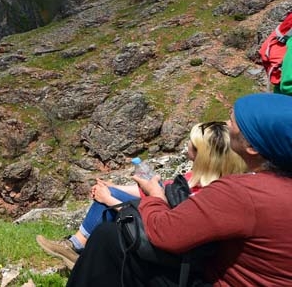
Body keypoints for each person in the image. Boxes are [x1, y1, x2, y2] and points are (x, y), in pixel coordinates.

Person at [65, 92, 292, 286]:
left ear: (252, 146)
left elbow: (166, 234)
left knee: (110, 239)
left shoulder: (243, 192)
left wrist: (155, 196)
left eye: (233, 122)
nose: (227, 124)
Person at [36, 121, 246, 268]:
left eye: (191, 142)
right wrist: (113, 187)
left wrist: (108, 199)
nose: (187, 144)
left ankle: (77, 248)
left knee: (107, 201)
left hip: (159, 240)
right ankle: (76, 245)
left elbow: (156, 223)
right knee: (110, 192)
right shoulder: (199, 176)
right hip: (159, 220)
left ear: (201, 152)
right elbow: (160, 187)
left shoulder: (198, 193)